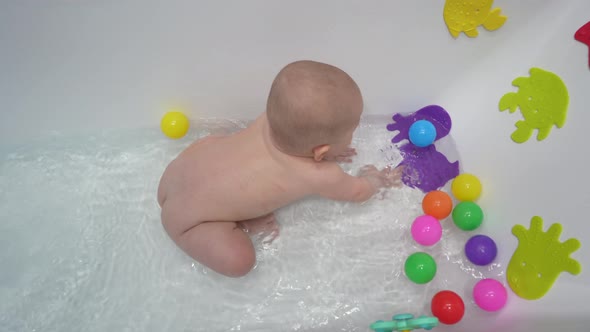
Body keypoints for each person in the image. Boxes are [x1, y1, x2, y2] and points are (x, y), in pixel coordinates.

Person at [157, 60, 402, 277]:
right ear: (321, 152)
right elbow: (358, 193)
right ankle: (241, 223)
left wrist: (332, 149)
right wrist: (375, 180)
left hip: (175, 176)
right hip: (189, 223)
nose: (352, 134)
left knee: (217, 141)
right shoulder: (320, 175)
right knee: (240, 262)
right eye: (351, 131)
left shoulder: (270, 118)